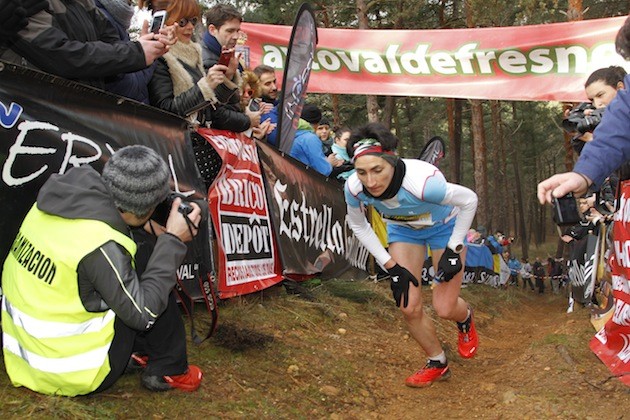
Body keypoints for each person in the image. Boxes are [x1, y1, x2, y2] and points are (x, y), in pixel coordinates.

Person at [2, 145, 203, 396]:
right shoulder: (102, 246)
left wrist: (148, 225)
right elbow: (144, 314)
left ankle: (139, 351)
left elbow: (113, 223)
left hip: (24, 356)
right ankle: (170, 368)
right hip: (70, 372)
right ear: (148, 207)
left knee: (136, 253)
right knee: (151, 263)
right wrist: (172, 241)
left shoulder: (55, 201)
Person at [344, 122, 479, 388]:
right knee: (407, 304)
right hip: (405, 233)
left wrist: (454, 248)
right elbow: (358, 224)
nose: (371, 181)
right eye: (361, 172)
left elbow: (470, 200)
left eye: (377, 170)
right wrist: (390, 265)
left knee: (444, 307)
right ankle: (437, 362)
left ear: (392, 160)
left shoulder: (424, 184)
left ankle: (464, 319)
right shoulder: (354, 188)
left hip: (445, 228)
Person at [0, 0, 175, 90]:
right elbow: (62, 57)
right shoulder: (22, 5)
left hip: (83, 118)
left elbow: (113, 44)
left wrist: (143, 46)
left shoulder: (85, 3)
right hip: (34, 117)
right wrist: (136, 52)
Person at [148, 0, 230, 126]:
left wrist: (229, 75)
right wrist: (204, 87)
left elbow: (212, 107)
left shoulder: (195, 53)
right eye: (182, 22)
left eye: (193, 20)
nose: (190, 27)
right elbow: (164, 109)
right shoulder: (159, 56)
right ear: (165, 22)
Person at [200, 3, 261, 132]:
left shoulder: (226, 55)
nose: (236, 36)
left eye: (238, 30)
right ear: (212, 30)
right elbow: (216, 112)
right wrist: (247, 121)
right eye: (230, 31)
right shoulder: (209, 60)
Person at [96, 0, 156, 103]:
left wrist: (144, 51)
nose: (190, 27)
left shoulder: (116, 20)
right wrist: (144, 53)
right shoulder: (103, 19)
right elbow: (125, 87)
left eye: (194, 21)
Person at [289, 103, 343, 177]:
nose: (324, 131)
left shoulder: (291, 134)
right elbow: (323, 170)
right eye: (320, 128)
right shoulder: (310, 138)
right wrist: (329, 163)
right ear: (317, 123)